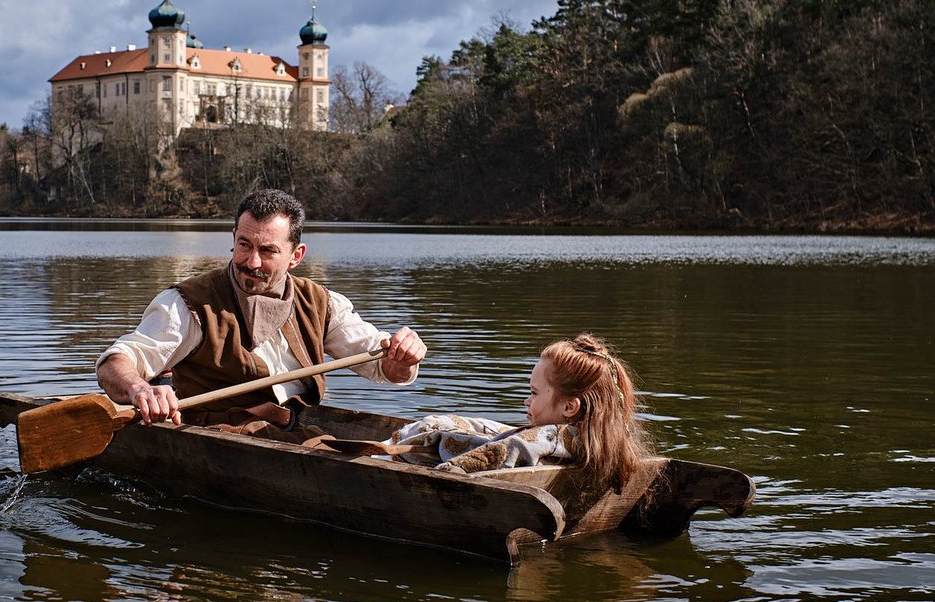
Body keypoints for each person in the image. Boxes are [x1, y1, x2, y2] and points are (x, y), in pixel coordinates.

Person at [96, 188, 427, 431]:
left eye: (268, 250)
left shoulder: (323, 304)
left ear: (295, 256)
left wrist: (404, 357)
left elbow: (389, 371)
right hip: (216, 441)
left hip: (299, 433)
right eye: (244, 245)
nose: (251, 262)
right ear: (234, 237)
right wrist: (140, 388)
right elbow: (116, 363)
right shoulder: (189, 303)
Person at [389, 333, 651, 493]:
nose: (526, 401)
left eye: (535, 393)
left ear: (569, 407)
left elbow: (460, 469)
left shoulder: (539, 441)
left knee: (434, 432)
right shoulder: (605, 442)